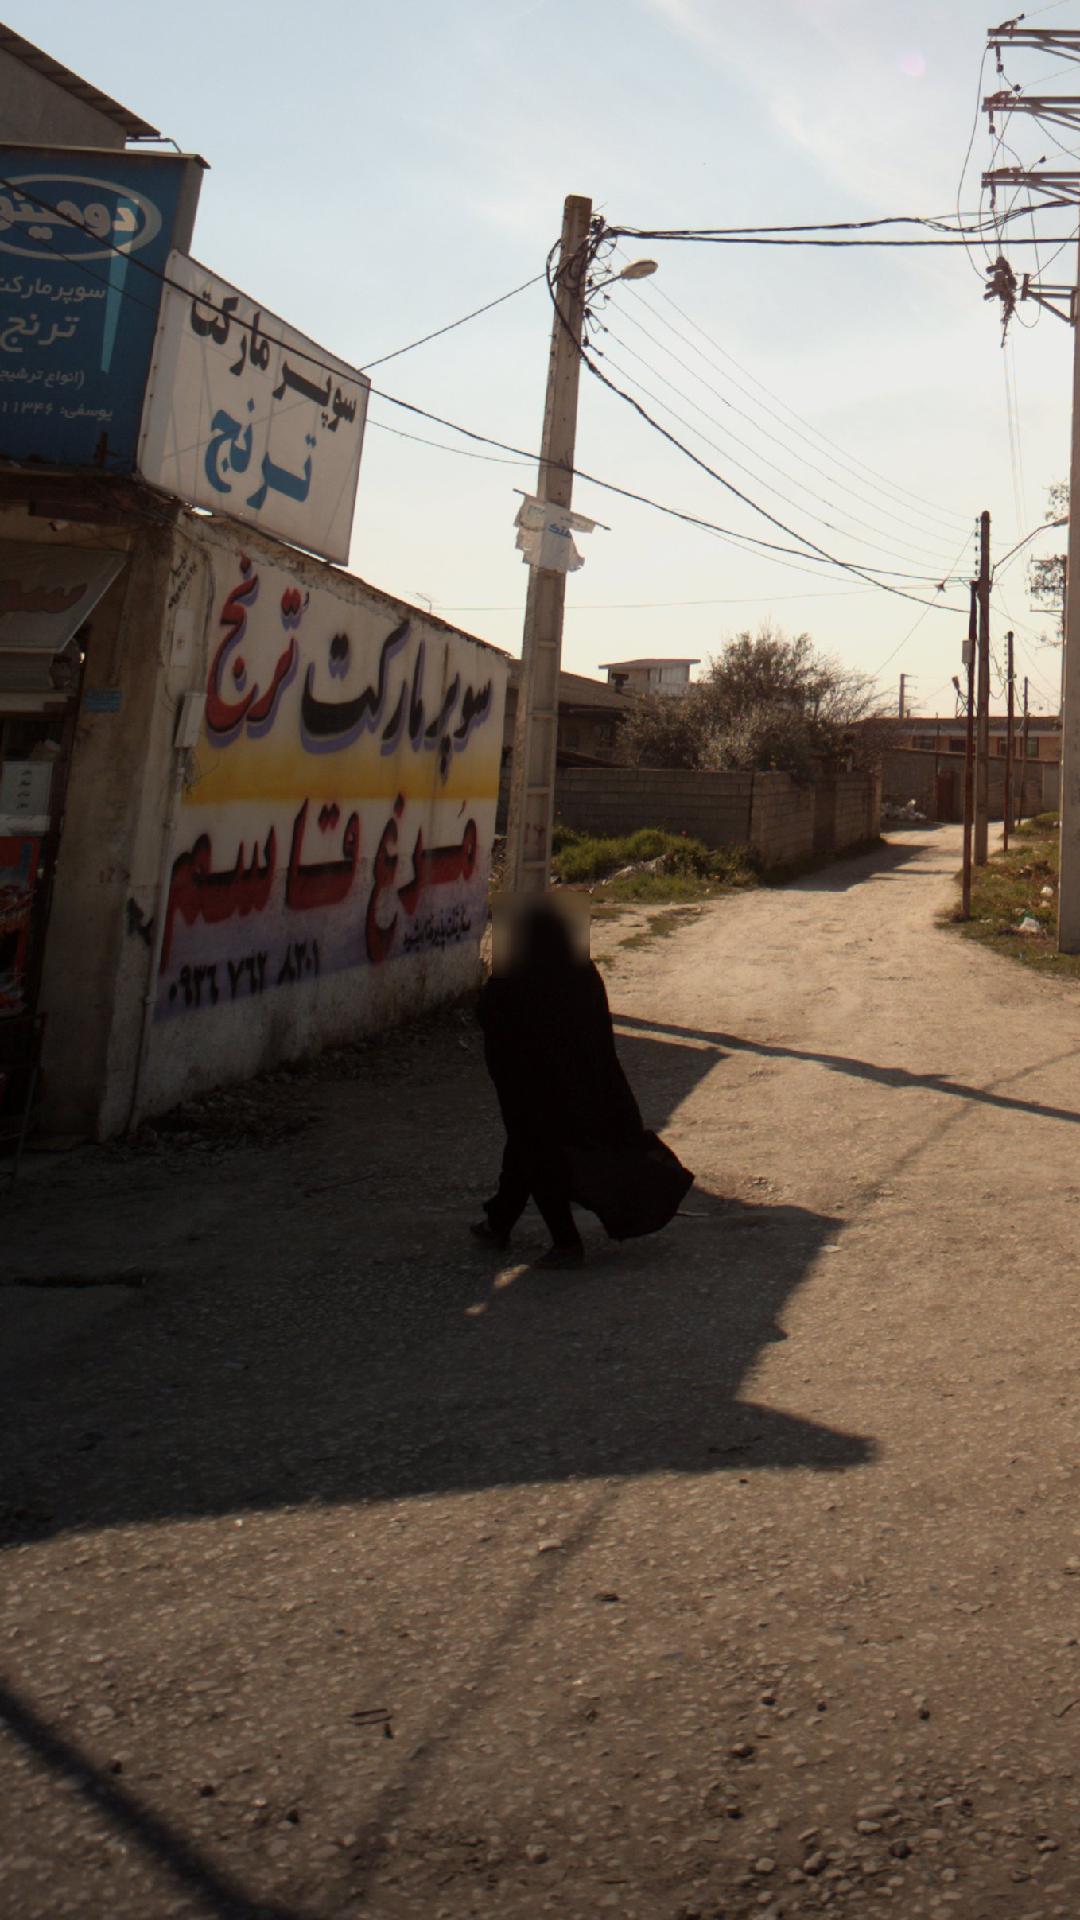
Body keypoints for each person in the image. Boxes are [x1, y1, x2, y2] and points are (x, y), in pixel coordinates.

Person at [473, 899, 692, 1267]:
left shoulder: (516, 982)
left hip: (536, 1092)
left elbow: (492, 1019)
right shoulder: (582, 973)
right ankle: (499, 1222)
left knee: (536, 1155)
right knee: (524, 1149)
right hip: (590, 1088)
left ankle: (565, 1243)